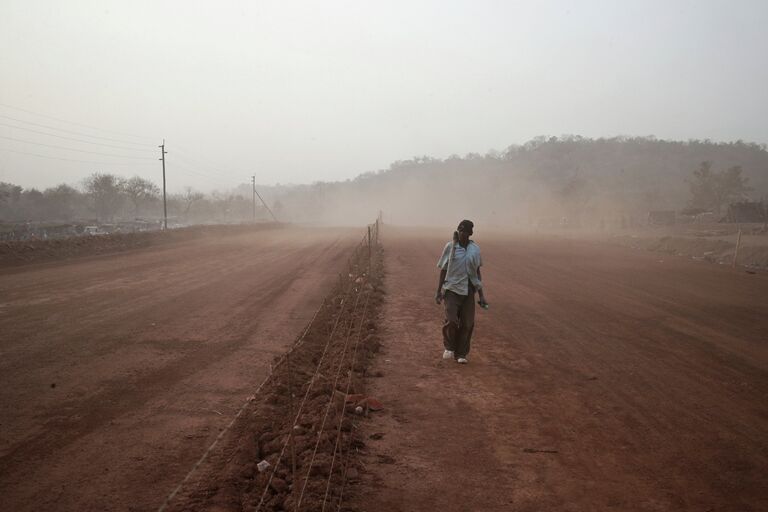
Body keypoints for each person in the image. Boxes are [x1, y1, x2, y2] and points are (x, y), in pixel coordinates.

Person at [435, 219, 488, 364]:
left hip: (468, 290)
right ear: (458, 231)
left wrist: (481, 295)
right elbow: (443, 269)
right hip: (451, 289)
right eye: (460, 231)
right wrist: (438, 291)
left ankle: (461, 353)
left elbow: (477, 272)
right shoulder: (450, 247)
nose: (462, 234)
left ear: (470, 234)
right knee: (452, 320)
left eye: (465, 232)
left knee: (467, 323)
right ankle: (449, 346)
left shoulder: (475, 250)